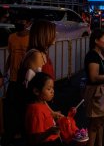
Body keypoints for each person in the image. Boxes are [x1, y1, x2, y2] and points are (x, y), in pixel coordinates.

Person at [3, 14, 31, 143]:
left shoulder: (31, 39)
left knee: (24, 106)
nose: (19, 23)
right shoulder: (11, 37)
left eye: (22, 21)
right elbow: (10, 55)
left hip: (26, 79)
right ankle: (13, 131)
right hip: (13, 78)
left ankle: (24, 131)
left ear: (28, 23)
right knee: (11, 107)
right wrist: (5, 72)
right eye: (18, 21)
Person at [84, 29, 104, 146]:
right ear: (96, 41)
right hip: (95, 92)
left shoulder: (101, 54)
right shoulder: (92, 56)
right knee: (95, 123)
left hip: (102, 91)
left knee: (100, 122)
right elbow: (93, 77)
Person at [25, 72, 61, 146]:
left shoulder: (42, 103)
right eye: (48, 89)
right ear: (36, 91)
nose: (52, 91)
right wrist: (50, 132)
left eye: (52, 88)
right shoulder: (36, 110)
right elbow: (34, 139)